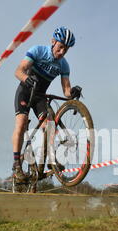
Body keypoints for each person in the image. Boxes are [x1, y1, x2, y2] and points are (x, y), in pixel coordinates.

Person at [11, 26, 82, 181]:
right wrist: (26, 78)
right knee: (21, 123)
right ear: (53, 41)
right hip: (25, 91)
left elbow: (66, 90)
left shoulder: (64, 65)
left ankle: (51, 158)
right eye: (60, 46)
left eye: (66, 49)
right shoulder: (38, 51)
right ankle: (17, 164)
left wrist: (73, 92)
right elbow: (18, 70)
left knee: (50, 124)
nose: (62, 51)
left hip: (40, 97)